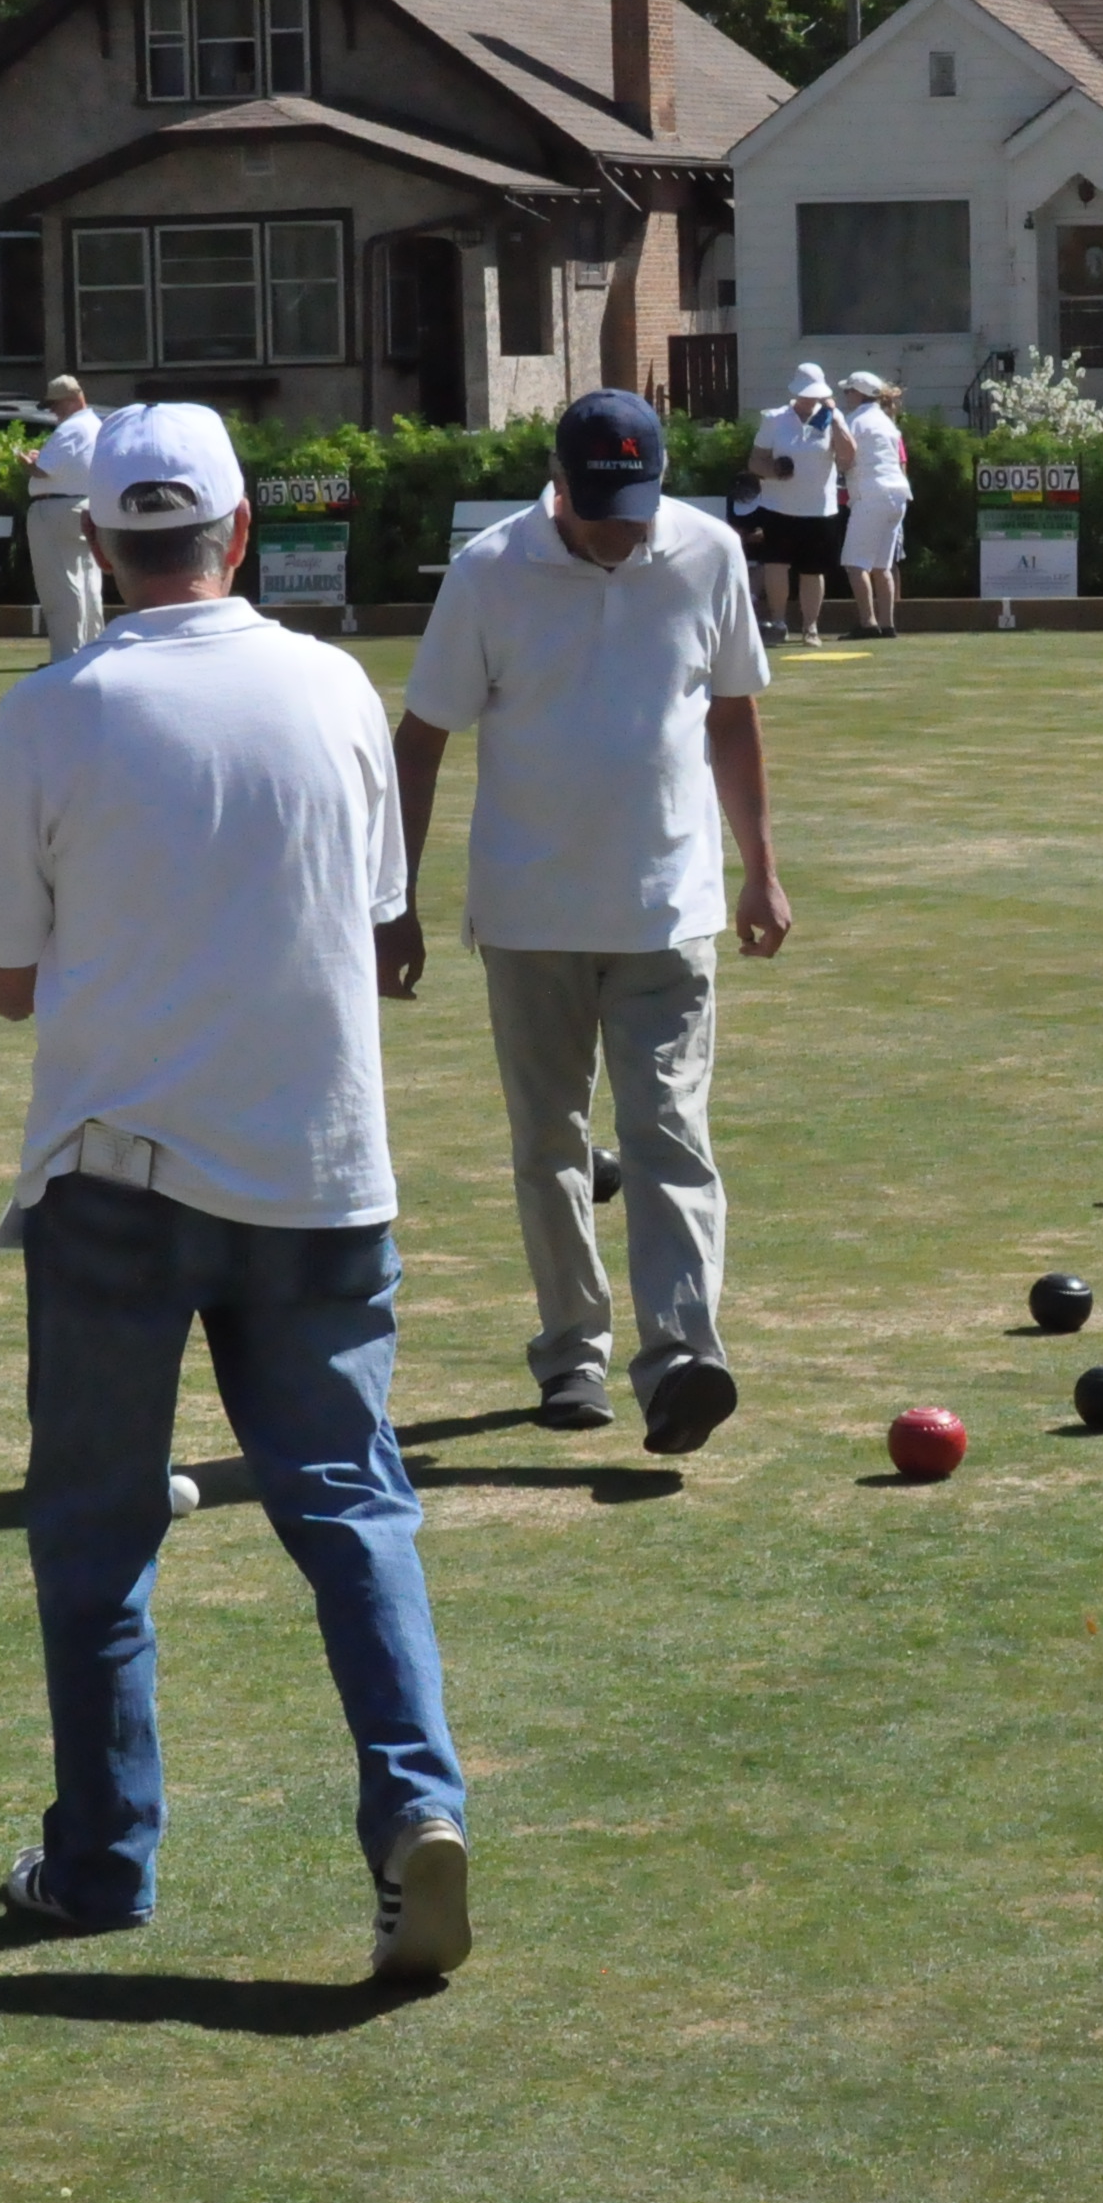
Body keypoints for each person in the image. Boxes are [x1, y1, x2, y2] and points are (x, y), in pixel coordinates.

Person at [0, 399, 471, 1977]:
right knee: (354, 1509)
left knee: (95, 1536)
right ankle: (416, 1808)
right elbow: (373, 909)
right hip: (320, 1169)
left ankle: (103, 1860)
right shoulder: (336, 688)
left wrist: (22, 795)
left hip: (117, 1180)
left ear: (97, 546)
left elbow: (5, 986)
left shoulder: (49, 714)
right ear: (239, 534)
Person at [386, 391, 789, 1452]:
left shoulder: (708, 554)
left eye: (637, 506)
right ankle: (572, 1351)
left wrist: (761, 871)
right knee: (550, 1143)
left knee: (670, 1135)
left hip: (669, 910)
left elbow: (733, 715)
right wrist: (396, 902)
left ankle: (681, 1362)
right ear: (558, 485)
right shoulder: (488, 572)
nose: (621, 531)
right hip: (528, 917)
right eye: (601, 508)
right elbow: (420, 741)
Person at [748, 364, 847, 645]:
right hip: (778, 506)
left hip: (819, 509)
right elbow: (755, 461)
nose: (809, 399)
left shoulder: (831, 417)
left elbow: (848, 457)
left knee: (812, 571)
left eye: (814, 395)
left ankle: (810, 627)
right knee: (776, 566)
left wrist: (836, 420)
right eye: (805, 394)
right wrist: (774, 471)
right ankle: (778, 622)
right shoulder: (774, 418)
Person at [20, 375, 106, 658]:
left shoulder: (72, 427)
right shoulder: (96, 426)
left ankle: (67, 656)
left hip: (56, 509)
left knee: (60, 586)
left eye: (56, 406)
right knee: (88, 583)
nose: (54, 412)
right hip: (87, 506)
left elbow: (43, 470)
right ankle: (92, 650)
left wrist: (27, 462)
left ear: (72, 400)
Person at [835, 370, 910, 636]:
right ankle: (887, 624)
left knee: (854, 563)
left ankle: (868, 623)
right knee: (882, 566)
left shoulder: (854, 421)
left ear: (858, 394)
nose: (846, 396)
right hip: (898, 494)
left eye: (848, 391)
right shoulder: (887, 422)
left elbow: (845, 456)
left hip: (871, 494)